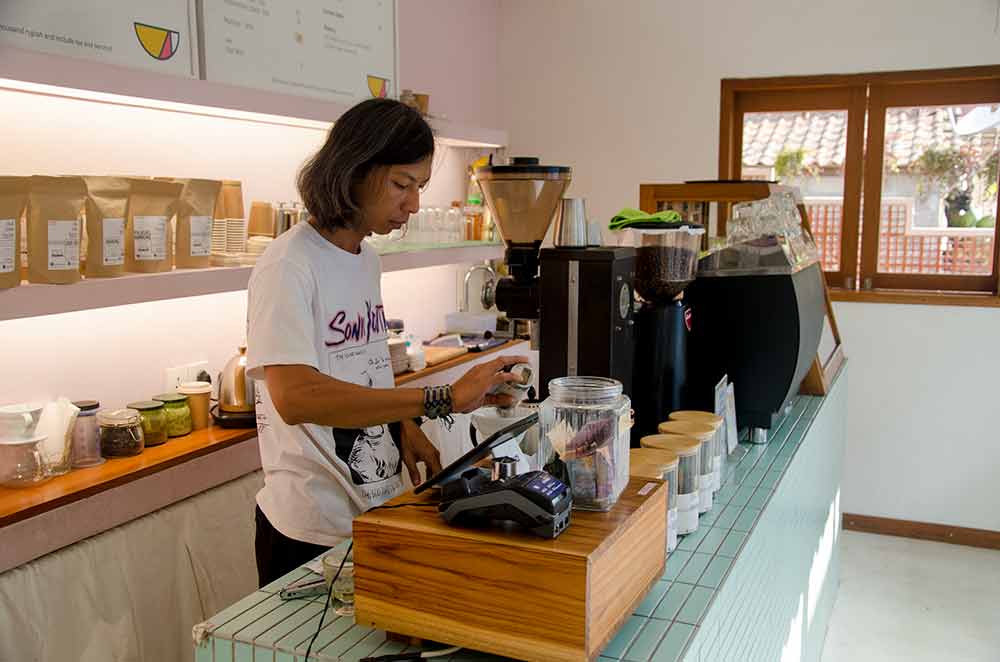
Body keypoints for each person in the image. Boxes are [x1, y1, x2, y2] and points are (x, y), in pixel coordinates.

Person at [246, 98, 528, 586]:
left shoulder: (365, 259)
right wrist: (441, 398)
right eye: (402, 184)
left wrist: (401, 424)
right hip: (309, 527)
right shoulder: (289, 264)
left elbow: (360, 366)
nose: (413, 205)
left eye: (419, 187)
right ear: (353, 170)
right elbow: (295, 397)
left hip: (372, 508)